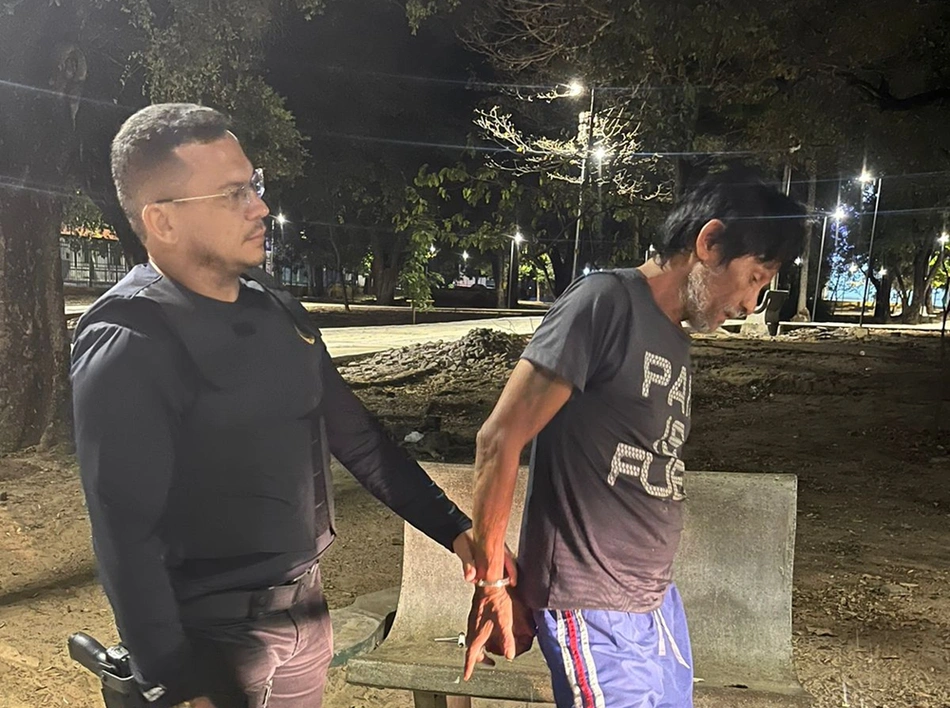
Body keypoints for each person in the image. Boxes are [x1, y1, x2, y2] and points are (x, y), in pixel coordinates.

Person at [71, 103, 479, 708]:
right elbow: (124, 532)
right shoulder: (132, 339)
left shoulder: (276, 308)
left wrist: (455, 529)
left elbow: (359, 440)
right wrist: (171, 679)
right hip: (212, 639)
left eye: (254, 185)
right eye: (233, 193)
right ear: (163, 220)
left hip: (306, 615)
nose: (260, 207)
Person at [462, 173, 807, 707]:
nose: (750, 303)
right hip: (593, 603)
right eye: (754, 278)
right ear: (709, 242)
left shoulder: (674, 336)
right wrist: (491, 582)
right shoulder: (604, 302)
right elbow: (498, 439)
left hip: (656, 601)